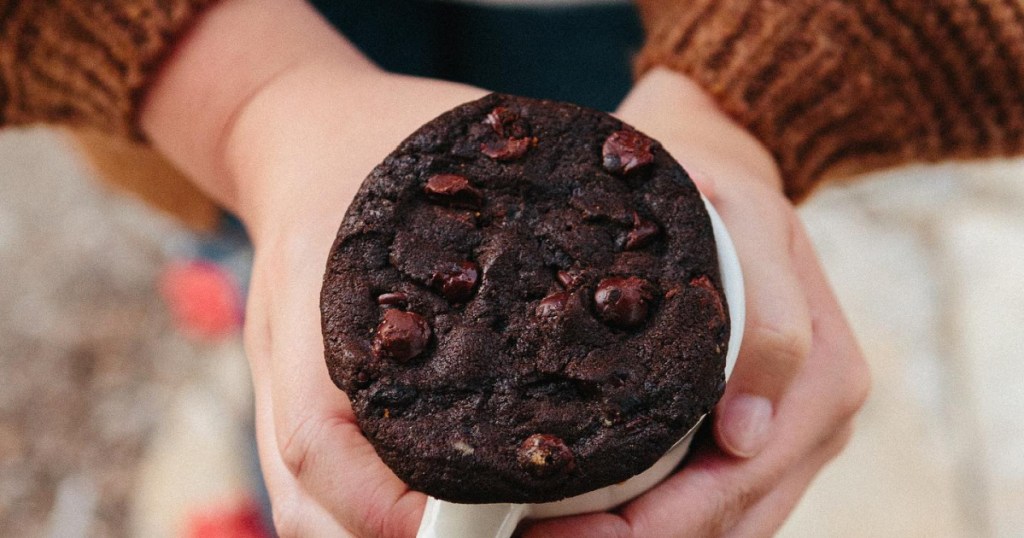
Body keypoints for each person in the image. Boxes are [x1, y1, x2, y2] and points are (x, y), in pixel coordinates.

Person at [2, 0, 1021, 535]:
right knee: (287, 266)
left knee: (309, 274)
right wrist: (237, 99)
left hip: (617, 24)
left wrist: (754, 91)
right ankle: (247, 288)